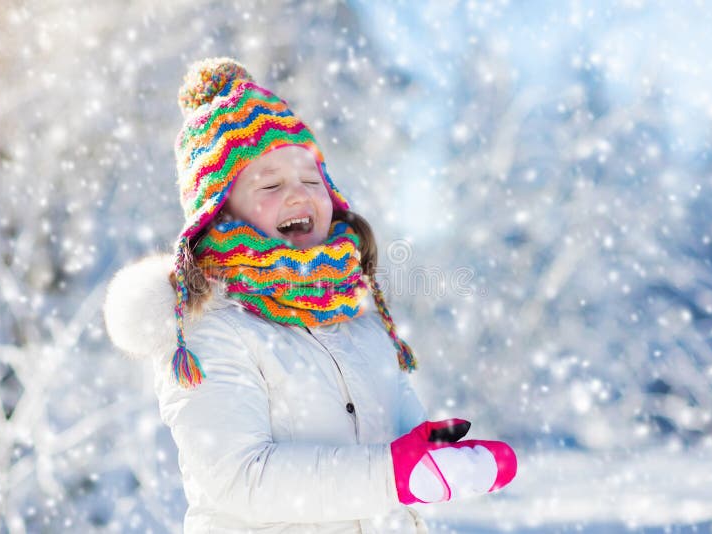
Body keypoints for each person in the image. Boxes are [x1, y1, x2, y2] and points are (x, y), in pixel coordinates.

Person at [104, 57, 517, 533]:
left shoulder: (359, 323)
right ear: (218, 213)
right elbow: (243, 479)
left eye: (311, 180)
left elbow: (396, 466)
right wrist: (394, 474)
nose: (299, 194)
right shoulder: (210, 329)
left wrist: (430, 453)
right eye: (271, 184)